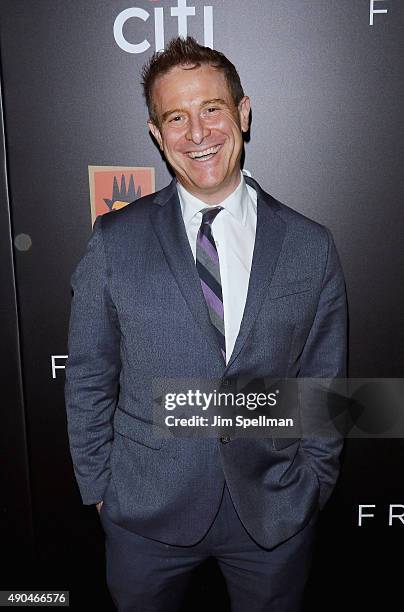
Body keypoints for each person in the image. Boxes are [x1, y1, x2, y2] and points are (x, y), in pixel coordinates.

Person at [65, 36, 347, 612]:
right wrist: (101, 491)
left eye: (211, 109)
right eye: (177, 117)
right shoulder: (115, 242)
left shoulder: (309, 246)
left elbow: (324, 387)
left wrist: (312, 484)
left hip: (273, 512)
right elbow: (89, 377)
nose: (198, 134)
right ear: (156, 132)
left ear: (242, 113)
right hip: (145, 514)